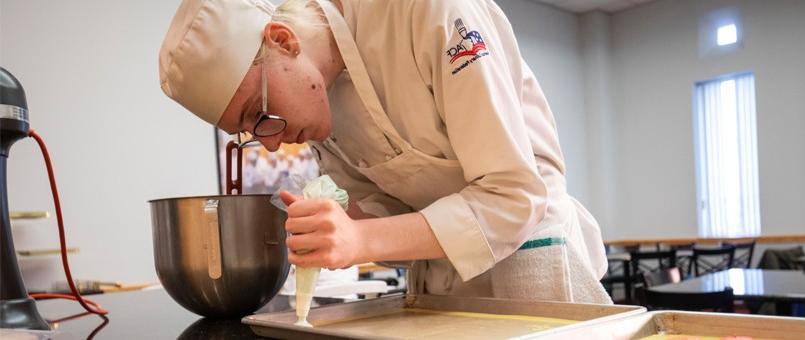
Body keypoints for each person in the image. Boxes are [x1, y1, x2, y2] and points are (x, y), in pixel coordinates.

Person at [159, 0, 611, 303]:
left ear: (283, 40)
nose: (273, 141)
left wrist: (361, 240)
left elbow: (514, 196)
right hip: (440, 288)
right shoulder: (317, 100)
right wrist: (339, 223)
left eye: (258, 113)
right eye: (251, 133)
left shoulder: (426, 12)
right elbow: (396, 224)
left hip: (533, 262)